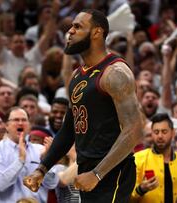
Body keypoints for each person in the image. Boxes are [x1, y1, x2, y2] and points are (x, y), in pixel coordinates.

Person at [24, 9, 144, 203]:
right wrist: (42, 169)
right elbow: (68, 130)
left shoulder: (115, 73)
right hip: (86, 170)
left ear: (97, 32)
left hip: (113, 172)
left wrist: (97, 174)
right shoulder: (77, 76)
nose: (70, 31)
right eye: (72, 26)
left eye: (77, 26)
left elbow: (134, 130)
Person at [0, 107, 58, 203]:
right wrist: (20, 160)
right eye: (16, 120)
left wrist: (46, 162)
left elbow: (52, 184)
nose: (20, 123)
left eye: (24, 120)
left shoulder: (40, 150)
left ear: (29, 126)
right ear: (6, 126)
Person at [130, 113, 177, 203]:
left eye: (164, 132)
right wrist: (141, 189)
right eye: (156, 132)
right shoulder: (138, 159)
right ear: (152, 134)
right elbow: (126, 196)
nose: (160, 136)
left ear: (173, 133)